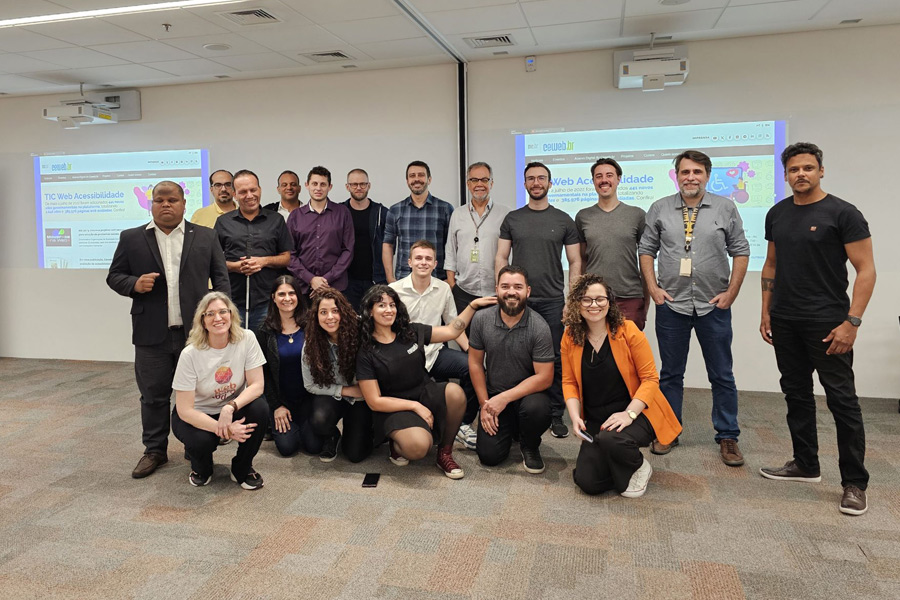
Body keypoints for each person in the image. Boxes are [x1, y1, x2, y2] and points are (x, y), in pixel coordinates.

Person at [759, 142, 876, 516]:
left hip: (828, 322)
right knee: (796, 393)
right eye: (794, 170)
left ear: (821, 170)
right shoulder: (777, 213)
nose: (801, 175)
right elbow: (772, 266)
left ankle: (855, 482)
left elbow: (866, 270)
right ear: (786, 174)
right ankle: (806, 464)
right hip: (785, 319)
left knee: (842, 400)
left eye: (808, 168)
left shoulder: (843, 213)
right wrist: (766, 312)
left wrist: (852, 321)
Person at [107, 180, 230, 479]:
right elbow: (114, 276)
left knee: (198, 394)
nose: (166, 204)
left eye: (172, 199)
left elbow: (221, 279)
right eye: (159, 199)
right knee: (153, 395)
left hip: (195, 335)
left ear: (183, 203)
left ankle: (194, 444)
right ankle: (155, 450)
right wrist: (133, 284)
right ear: (151, 203)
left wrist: (222, 320)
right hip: (151, 334)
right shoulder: (132, 238)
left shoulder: (205, 235)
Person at [638, 150, 750, 466]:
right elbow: (646, 250)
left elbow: (741, 251)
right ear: (676, 175)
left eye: (697, 172)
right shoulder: (660, 208)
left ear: (707, 175)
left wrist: (732, 292)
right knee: (671, 373)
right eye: (685, 172)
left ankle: (728, 436)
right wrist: (653, 288)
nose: (690, 177)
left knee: (722, 374)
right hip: (672, 304)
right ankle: (669, 431)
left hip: (713, 304)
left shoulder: (726, 207)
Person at [356, 285, 495, 479]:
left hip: (424, 391)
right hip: (394, 406)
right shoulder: (366, 351)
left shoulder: (409, 331)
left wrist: (472, 306)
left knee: (455, 393)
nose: (388, 310)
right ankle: (397, 446)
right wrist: (415, 407)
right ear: (370, 311)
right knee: (418, 448)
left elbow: (451, 331)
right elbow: (374, 401)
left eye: (392, 305)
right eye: (381, 305)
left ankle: (444, 453)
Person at [561, 274, 682, 497]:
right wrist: (575, 416)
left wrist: (629, 415)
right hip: (599, 417)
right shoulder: (570, 336)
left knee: (612, 438)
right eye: (587, 300)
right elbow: (568, 381)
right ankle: (615, 458)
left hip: (639, 411)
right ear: (577, 303)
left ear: (609, 302)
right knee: (587, 482)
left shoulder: (628, 331)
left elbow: (650, 379)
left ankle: (639, 465)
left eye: (600, 299)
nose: (594, 305)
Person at [495, 161, 582, 439]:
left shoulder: (563, 220)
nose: (536, 182)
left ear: (550, 183)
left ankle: (555, 414)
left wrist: (572, 299)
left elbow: (575, 260)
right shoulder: (512, 219)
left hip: (553, 300)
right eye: (531, 178)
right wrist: (503, 291)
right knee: (516, 356)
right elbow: (501, 257)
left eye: (541, 178)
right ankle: (519, 407)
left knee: (555, 358)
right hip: (517, 300)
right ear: (524, 184)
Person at [171, 292, 268, 490]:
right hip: (197, 413)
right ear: (202, 321)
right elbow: (185, 410)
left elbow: (257, 385)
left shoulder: (247, 338)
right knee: (201, 442)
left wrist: (229, 408)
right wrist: (225, 430)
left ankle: (242, 467)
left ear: (231, 315)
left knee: (260, 409)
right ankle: (201, 468)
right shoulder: (190, 354)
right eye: (210, 314)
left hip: (231, 407)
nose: (218, 318)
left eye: (223, 311)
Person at [390, 239, 478, 450]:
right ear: (409, 262)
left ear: (435, 263)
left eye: (428, 258)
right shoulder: (394, 290)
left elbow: (452, 324)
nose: (423, 262)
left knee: (472, 367)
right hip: (405, 357)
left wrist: (471, 352)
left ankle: (463, 423)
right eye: (418, 258)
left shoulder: (443, 289)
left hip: (434, 352)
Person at [469, 266, 553, 473]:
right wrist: (484, 405)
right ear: (496, 289)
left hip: (528, 397)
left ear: (528, 291)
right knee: (489, 457)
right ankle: (512, 429)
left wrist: (504, 398)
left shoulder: (539, 326)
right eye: (505, 286)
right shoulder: (481, 320)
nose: (512, 292)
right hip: (495, 397)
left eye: (518, 287)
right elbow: (475, 363)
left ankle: (530, 444)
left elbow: (545, 378)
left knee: (537, 409)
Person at [575, 158, 649, 330]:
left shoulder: (637, 215)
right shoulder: (582, 216)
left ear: (618, 179)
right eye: (598, 176)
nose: (604, 180)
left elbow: (645, 260)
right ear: (593, 181)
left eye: (609, 175)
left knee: (629, 353)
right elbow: (582, 261)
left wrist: (646, 299)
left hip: (629, 297)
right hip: (593, 299)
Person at [215, 169, 292, 331]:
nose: (249, 195)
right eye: (243, 192)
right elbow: (213, 260)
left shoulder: (276, 220)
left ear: (260, 189)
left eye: (253, 190)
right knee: (235, 350)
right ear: (234, 194)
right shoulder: (223, 222)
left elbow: (287, 257)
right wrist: (235, 267)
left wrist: (264, 261)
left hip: (268, 301)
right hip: (233, 301)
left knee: (267, 350)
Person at [302, 288, 374, 463]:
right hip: (333, 396)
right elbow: (310, 385)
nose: (330, 317)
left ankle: (366, 429)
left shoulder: (361, 333)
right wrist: (346, 391)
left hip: (362, 400)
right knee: (319, 420)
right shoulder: (311, 344)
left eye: (335, 311)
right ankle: (332, 436)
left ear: (344, 312)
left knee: (355, 455)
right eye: (323, 312)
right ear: (316, 317)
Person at [255, 275, 319, 458]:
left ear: (298, 296)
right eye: (281, 294)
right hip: (282, 400)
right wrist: (276, 406)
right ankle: (281, 424)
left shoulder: (311, 324)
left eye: (291, 293)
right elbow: (263, 373)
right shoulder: (264, 330)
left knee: (314, 447)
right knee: (287, 448)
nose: (287, 298)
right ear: (273, 298)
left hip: (309, 398)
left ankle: (307, 427)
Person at [445, 161, 509, 314]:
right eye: (474, 180)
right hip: (464, 291)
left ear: (491, 183)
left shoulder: (505, 213)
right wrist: (453, 286)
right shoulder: (458, 214)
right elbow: (450, 252)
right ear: (468, 184)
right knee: (466, 337)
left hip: (495, 292)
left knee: (495, 337)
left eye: (484, 180)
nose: (479, 184)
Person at [287, 166, 354, 297]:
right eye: (314, 184)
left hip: (335, 288)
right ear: (307, 185)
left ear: (330, 187)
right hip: (304, 288)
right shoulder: (295, 216)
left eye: (323, 184)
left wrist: (325, 280)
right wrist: (311, 279)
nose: (318, 188)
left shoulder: (342, 213)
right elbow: (289, 254)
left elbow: (348, 250)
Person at [382, 160, 454, 282]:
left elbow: (452, 246)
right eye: (412, 176)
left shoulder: (445, 209)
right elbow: (388, 245)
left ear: (429, 179)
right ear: (407, 181)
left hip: (437, 278)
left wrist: (449, 278)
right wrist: (390, 278)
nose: (416, 179)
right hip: (404, 279)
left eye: (421, 175)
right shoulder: (395, 210)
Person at [342, 168, 389, 311]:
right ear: (347, 186)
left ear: (369, 185)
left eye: (363, 184)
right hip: (347, 281)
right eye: (354, 184)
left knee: (376, 324)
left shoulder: (382, 212)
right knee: (349, 324)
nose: (358, 188)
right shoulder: (339, 212)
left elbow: (390, 247)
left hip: (375, 279)